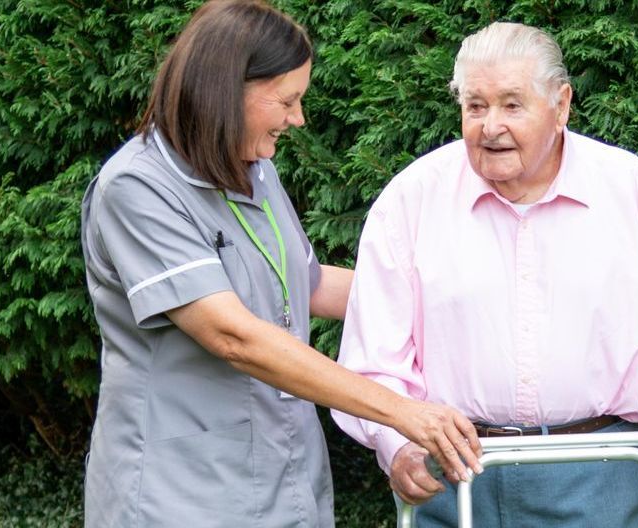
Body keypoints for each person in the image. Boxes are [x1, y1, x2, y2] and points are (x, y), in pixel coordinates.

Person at [79, 2, 482, 526]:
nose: (299, 119)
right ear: (228, 90)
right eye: (288, 100)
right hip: (180, 494)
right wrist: (403, 410)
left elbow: (308, 285)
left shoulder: (254, 169)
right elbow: (233, 336)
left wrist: (456, 298)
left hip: (283, 484)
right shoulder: (137, 187)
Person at [332, 22, 638, 527]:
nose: (489, 125)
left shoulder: (633, 193)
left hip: (599, 471)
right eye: (475, 106)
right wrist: (398, 447)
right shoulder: (411, 200)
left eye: (511, 104)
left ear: (561, 105)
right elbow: (377, 354)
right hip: (449, 471)